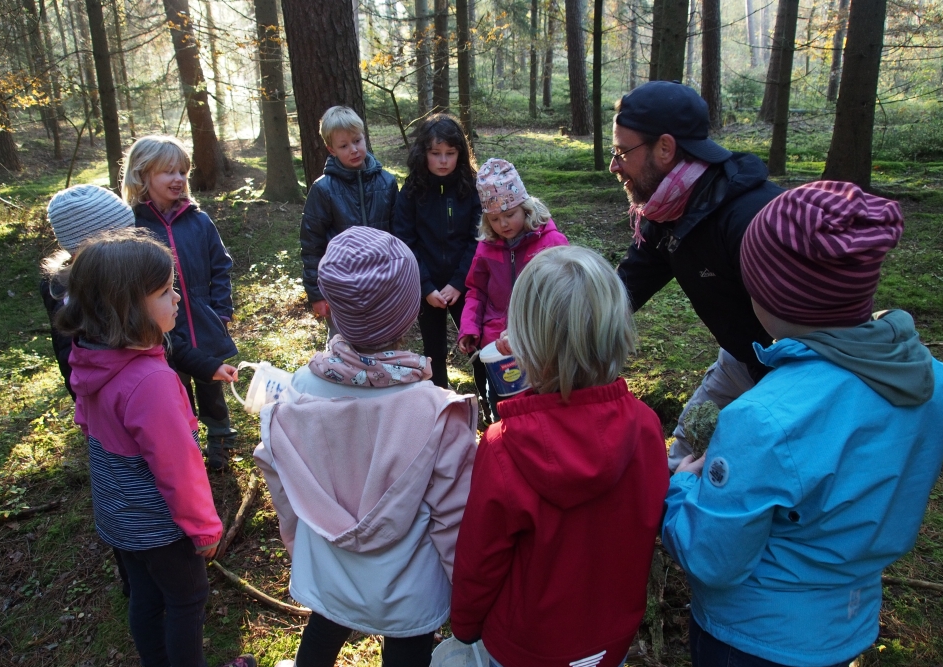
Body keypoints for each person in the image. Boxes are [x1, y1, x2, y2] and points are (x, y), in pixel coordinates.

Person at [662, 181, 943, 667]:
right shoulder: (933, 380)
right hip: (846, 622)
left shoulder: (762, 418)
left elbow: (713, 558)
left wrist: (680, 491)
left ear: (769, 292)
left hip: (752, 638)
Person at [255, 226, 478, 667]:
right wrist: (466, 594)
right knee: (409, 649)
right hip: (407, 589)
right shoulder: (437, 412)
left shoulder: (297, 391)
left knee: (324, 629)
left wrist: (299, 545)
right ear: (408, 309)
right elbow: (455, 519)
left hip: (329, 571)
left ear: (336, 310)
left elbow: (281, 481)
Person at [451, 246, 669, 667]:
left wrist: (464, 627)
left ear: (522, 345)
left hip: (522, 647)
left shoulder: (503, 447)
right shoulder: (644, 426)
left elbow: (479, 560)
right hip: (610, 640)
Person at [56, 229, 255, 667]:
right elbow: (178, 468)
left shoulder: (93, 355)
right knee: (188, 597)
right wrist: (204, 529)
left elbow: (86, 419)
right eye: (166, 292)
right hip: (160, 525)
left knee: (146, 594)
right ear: (127, 309)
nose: (178, 299)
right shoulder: (151, 382)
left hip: (118, 515)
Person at [609, 80, 784, 471]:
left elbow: (814, 331)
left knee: (752, 473)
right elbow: (623, 289)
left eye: (623, 152)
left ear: (666, 148)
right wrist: (546, 327)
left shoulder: (751, 219)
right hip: (740, 360)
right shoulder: (664, 213)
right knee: (680, 454)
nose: (614, 165)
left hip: (793, 376)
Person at [40, 183, 138, 597]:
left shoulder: (105, 276)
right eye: (122, 237)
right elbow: (74, 363)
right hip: (109, 404)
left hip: (132, 395)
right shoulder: (73, 294)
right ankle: (137, 574)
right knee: (125, 478)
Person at [122, 135, 240, 472]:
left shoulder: (198, 220)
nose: (178, 179)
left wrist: (221, 310)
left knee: (211, 381)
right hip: (159, 325)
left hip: (203, 317)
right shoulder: (133, 226)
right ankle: (183, 444)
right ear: (143, 176)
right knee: (173, 390)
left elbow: (221, 264)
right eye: (167, 172)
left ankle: (220, 439)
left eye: (183, 172)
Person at [456, 158, 569, 420]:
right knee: (505, 408)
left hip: (539, 340)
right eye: (495, 219)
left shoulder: (551, 242)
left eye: (510, 215)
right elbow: (476, 290)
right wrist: (470, 328)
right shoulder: (486, 247)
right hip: (498, 346)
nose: (503, 224)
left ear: (525, 208)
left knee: (543, 405)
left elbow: (565, 290)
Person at [392, 113, 482, 393]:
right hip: (426, 286)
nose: (443, 160)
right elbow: (405, 242)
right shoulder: (411, 191)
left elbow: (478, 238)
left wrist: (458, 282)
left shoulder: (472, 187)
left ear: (460, 154)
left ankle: (489, 401)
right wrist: (426, 286)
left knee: (476, 344)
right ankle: (440, 404)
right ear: (423, 153)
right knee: (434, 351)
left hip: (465, 284)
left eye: (450, 153)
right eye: (435, 153)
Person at [300, 105, 398, 329]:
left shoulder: (387, 183)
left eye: (357, 141)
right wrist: (316, 295)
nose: (353, 149)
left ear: (365, 138)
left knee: (387, 347)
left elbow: (399, 236)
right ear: (331, 149)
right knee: (343, 349)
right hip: (340, 287)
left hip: (383, 284)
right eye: (344, 146)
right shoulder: (323, 190)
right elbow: (311, 245)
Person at [41, 184, 137, 400]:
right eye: (124, 237)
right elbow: (72, 359)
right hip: (107, 400)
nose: (134, 243)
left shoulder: (119, 274)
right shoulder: (70, 296)